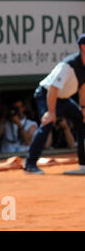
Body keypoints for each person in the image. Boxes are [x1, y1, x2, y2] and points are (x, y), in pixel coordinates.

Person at [24, 33, 85, 175]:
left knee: (81, 121)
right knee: (47, 123)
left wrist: (83, 108)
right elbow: (53, 88)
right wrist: (51, 112)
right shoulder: (68, 65)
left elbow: (83, 88)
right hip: (46, 94)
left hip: (64, 98)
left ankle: (83, 165)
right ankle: (30, 165)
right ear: (83, 47)